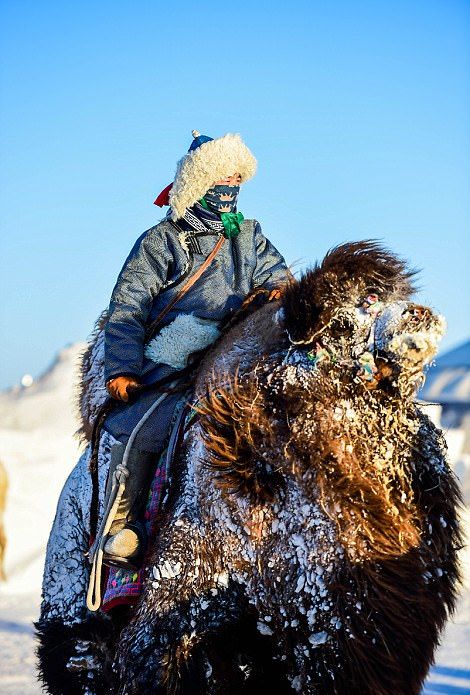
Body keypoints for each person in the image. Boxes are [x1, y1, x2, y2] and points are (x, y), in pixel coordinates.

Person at [100, 130, 289, 569]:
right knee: (144, 430)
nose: (230, 186)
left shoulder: (250, 235)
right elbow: (128, 305)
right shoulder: (160, 240)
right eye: (221, 177)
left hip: (235, 352)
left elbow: (278, 277)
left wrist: (275, 294)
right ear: (198, 182)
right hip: (171, 359)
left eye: (236, 177)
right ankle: (121, 525)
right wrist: (123, 368)